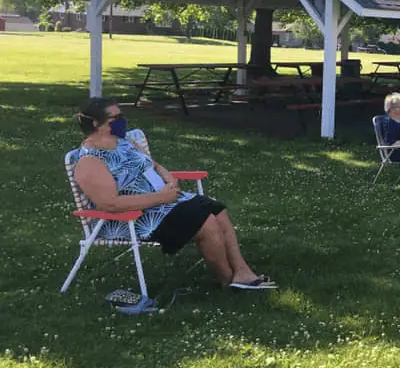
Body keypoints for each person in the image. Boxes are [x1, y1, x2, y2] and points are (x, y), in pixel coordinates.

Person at [71, 98, 275, 290]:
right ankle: (226, 280)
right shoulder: (90, 162)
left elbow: (154, 164)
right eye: (116, 118)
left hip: (161, 202)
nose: (122, 121)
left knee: (217, 210)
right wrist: (162, 198)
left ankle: (241, 271)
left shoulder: (122, 141)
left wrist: (169, 179)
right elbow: (110, 204)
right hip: (134, 219)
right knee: (207, 222)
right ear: (97, 124)